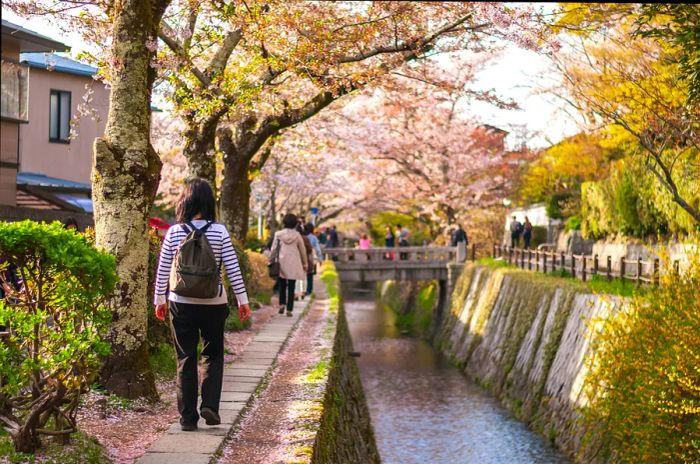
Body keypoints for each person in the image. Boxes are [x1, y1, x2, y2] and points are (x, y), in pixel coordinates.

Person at [153, 178, 250, 432]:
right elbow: (232, 268)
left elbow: (163, 269)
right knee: (213, 354)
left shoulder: (174, 232)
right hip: (213, 302)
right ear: (209, 203)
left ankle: (187, 418)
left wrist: (159, 300)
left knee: (185, 357)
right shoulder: (220, 232)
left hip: (180, 302)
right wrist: (243, 300)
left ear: (185, 201)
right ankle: (209, 405)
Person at [269, 213, 308, 316]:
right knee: (291, 285)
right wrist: (305, 263)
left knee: (282, 284)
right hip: (294, 262)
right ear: (295, 223)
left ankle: (282, 304)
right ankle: (289, 309)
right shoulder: (297, 235)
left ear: (284, 222)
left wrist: (271, 260)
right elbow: (302, 250)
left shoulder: (278, 234)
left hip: (282, 262)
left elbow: (273, 249)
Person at [303, 224, 323, 297]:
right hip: (310, 257)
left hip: (301, 257)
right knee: (310, 274)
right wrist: (320, 259)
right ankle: (309, 290)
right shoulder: (313, 238)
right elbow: (318, 249)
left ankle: (302, 290)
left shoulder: (301, 237)